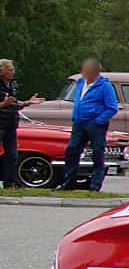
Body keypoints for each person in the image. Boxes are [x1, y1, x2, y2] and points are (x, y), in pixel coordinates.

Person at [56, 59, 118, 192]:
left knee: (97, 153)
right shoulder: (80, 83)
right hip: (79, 123)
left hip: (95, 124)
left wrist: (98, 120)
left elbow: (112, 107)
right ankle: (69, 183)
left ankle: (95, 185)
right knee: (71, 151)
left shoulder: (104, 86)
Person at [0, 59, 43, 188]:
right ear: (1, 71)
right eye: (10, 69)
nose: (13, 72)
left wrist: (26, 103)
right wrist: (3, 104)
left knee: (12, 155)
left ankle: (9, 182)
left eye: (13, 69)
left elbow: (14, 103)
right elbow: (6, 103)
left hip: (11, 124)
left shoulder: (12, 84)